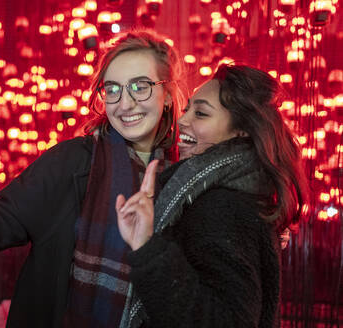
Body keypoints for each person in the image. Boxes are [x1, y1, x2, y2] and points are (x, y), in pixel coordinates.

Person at [0, 29, 184, 327]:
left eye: (140, 87)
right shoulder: (73, 161)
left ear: (167, 96)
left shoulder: (185, 178)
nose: (125, 103)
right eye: (113, 89)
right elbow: (0, 220)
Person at [115, 64, 307, 327]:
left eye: (201, 113)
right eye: (187, 109)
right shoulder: (235, 196)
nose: (182, 120)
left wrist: (149, 251)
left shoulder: (221, 207)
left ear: (242, 131)